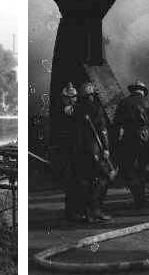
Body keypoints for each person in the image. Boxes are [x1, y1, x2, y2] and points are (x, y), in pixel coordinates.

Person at [112, 81, 149, 209]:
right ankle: (141, 197)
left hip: (129, 138)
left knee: (128, 169)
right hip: (146, 139)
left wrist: (115, 142)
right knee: (142, 168)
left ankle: (138, 196)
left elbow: (116, 123)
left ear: (132, 90)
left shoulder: (124, 103)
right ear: (142, 90)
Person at [75, 81, 114, 223]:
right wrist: (106, 148)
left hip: (81, 151)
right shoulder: (96, 109)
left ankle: (87, 213)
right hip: (95, 150)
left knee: (86, 181)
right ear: (92, 95)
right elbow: (102, 130)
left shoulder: (77, 109)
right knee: (103, 179)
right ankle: (96, 210)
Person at [51, 82, 85, 222]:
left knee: (76, 183)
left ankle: (75, 211)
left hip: (75, 151)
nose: (71, 100)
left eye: (73, 98)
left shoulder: (75, 111)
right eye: (69, 98)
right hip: (69, 152)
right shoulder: (62, 112)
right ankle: (72, 212)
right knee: (72, 183)